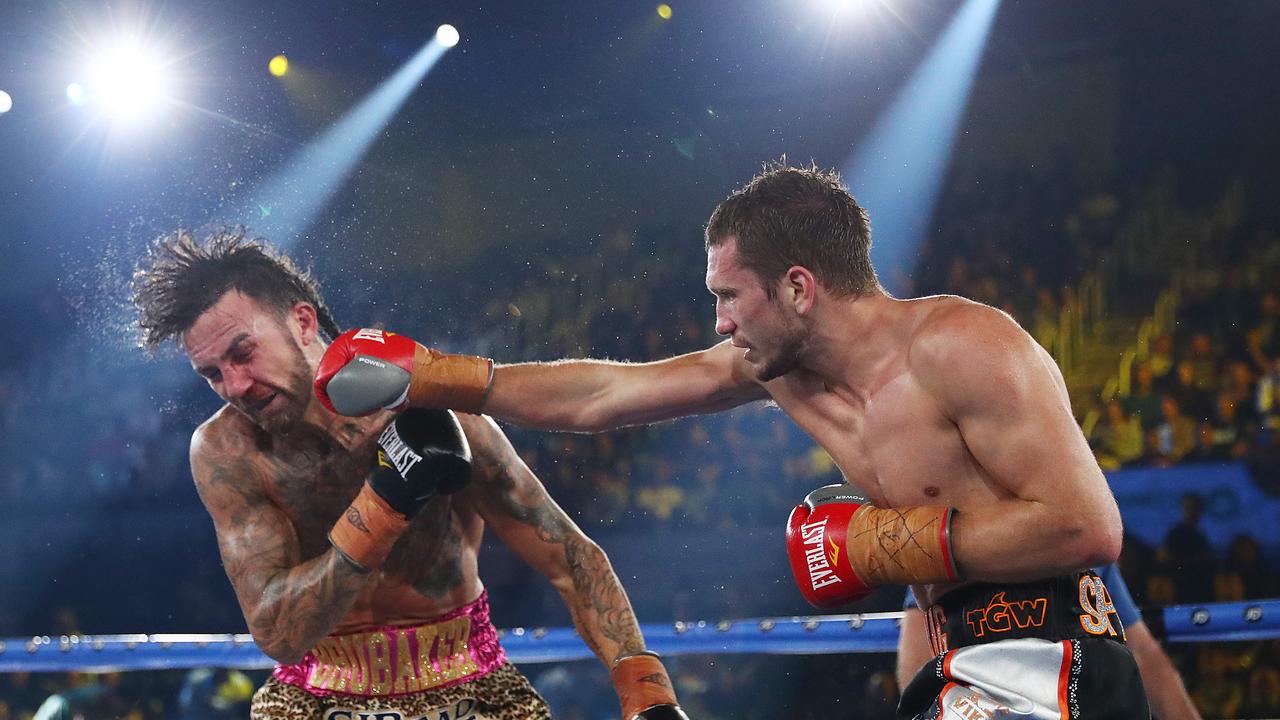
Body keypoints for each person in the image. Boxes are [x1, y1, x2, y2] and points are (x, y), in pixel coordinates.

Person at [317, 162, 1149, 718]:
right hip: (962, 664)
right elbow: (610, 393)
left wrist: (878, 545)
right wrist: (434, 377)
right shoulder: (777, 369)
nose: (717, 321)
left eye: (728, 296)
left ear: (798, 287)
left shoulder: (964, 346)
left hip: (1050, 658)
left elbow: (1087, 527)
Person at [131, 228, 688, 720]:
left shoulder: (427, 400)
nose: (235, 385)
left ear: (301, 321)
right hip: (317, 695)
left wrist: (648, 695)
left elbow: (568, 555)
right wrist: (383, 506)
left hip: (469, 682)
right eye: (212, 374)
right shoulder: (228, 450)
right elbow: (276, 631)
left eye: (243, 353)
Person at [898, 563, 1202, 720]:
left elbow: (1143, 651)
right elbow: (921, 651)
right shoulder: (964, 540)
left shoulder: (1079, 548)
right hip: (986, 705)